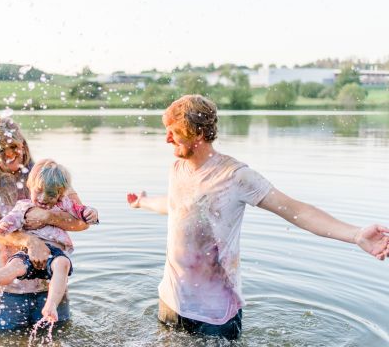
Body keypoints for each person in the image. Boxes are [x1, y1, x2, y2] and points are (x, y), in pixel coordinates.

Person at [127, 94, 389, 341]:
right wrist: (143, 202)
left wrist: (356, 234)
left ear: (198, 133)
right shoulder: (177, 168)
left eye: (173, 132)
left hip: (215, 315)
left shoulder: (235, 176)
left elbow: (296, 210)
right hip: (171, 301)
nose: (167, 139)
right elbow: (178, 207)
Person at [0, 117, 90, 330]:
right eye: (1, 149)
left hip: (50, 282)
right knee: (4, 339)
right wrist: (29, 241)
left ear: (23, 145)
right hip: (7, 284)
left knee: (58, 336)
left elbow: (82, 222)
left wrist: (47, 217)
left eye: (14, 147)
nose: (9, 154)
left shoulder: (47, 173)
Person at [0, 158, 99, 322]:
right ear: (30, 186)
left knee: (62, 264)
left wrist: (91, 213)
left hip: (54, 253)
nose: (43, 198)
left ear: (60, 194)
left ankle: (50, 305)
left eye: (50, 194)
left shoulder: (64, 204)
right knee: (15, 265)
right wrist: (3, 226)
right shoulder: (23, 206)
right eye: (39, 191)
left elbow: (82, 213)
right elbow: (11, 219)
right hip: (28, 253)